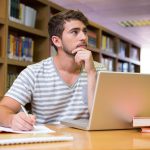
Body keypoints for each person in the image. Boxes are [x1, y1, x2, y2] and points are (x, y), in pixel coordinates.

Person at [0, 9, 106, 131]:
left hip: (88, 143)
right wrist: (12, 119)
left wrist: (91, 73)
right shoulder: (34, 73)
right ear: (57, 41)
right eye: (75, 32)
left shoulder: (99, 70)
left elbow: (103, 119)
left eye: (84, 31)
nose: (83, 37)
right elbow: (3, 108)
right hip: (48, 141)